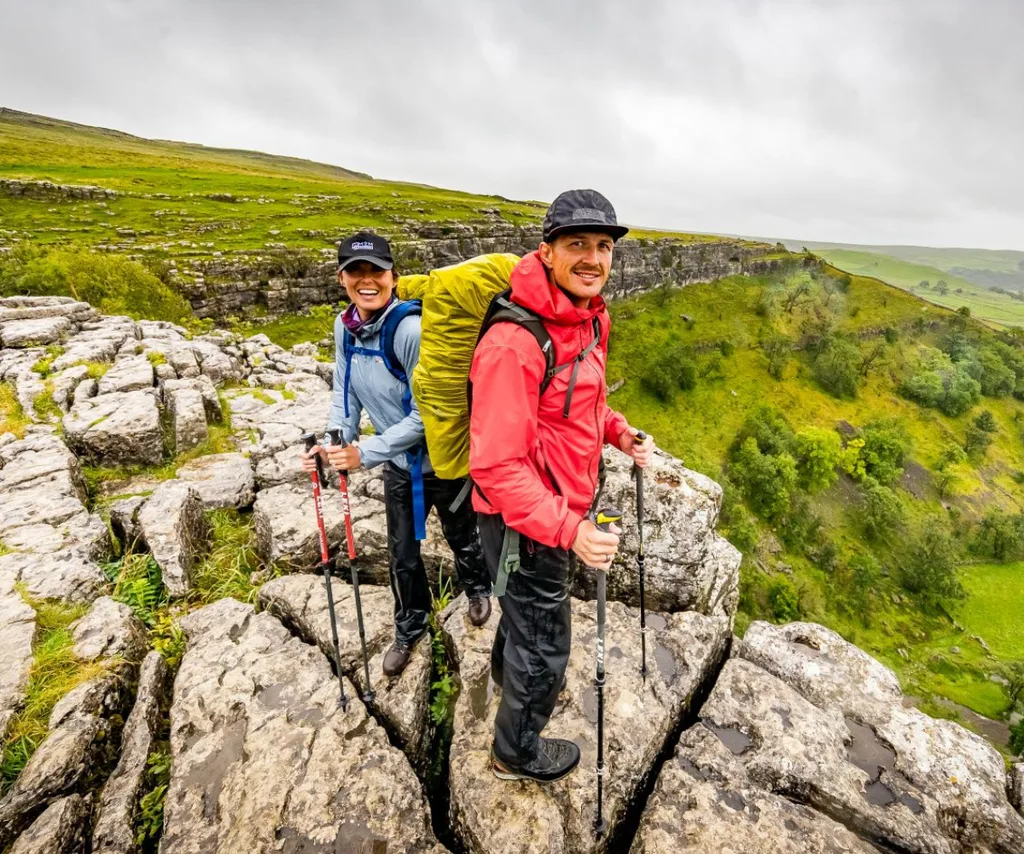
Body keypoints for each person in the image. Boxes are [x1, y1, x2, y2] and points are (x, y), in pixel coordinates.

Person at [469, 189, 655, 783]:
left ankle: (507, 679)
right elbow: (495, 468)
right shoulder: (515, 342)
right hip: (529, 521)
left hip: (553, 507)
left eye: (603, 247)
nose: (593, 258)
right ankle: (515, 753)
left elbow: (580, 408)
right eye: (577, 244)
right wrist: (571, 529)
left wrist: (620, 434)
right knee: (546, 641)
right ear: (546, 251)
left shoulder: (587, 318)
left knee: (523, 618)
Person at [304, 231, 492, 677]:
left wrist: (365, 450)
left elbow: (429, 414)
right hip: (398, 464)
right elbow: (343, 390)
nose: (366, 280)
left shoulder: (409, 330)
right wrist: (335, 440)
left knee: (462, 533)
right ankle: (410, 626)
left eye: (377, 272)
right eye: (356, 272)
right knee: (402, 553)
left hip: (441, 459)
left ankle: (479, 589)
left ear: (394, 277)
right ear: (342, 278)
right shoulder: (343, 327)